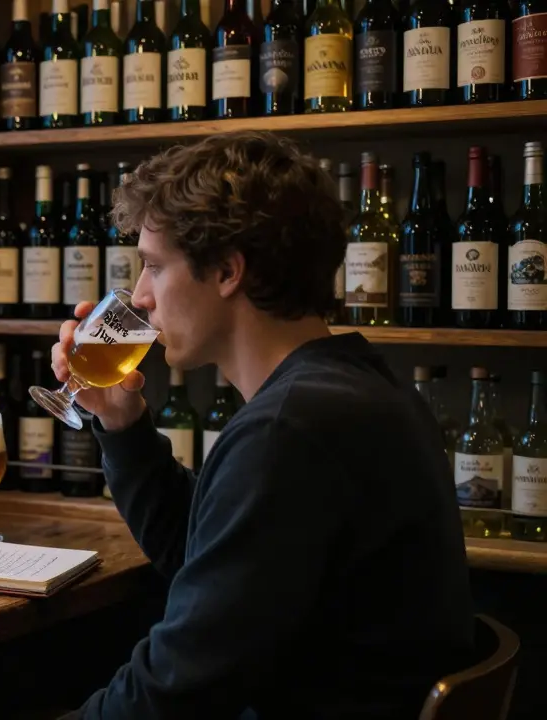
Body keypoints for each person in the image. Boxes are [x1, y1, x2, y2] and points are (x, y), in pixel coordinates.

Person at [54, 131, 475, 719]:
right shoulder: (356, 386)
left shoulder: (289, 429)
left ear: (228, 270)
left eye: (153, 266)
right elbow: (209, 562)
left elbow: (175, 689)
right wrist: (122, 425)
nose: (141, 296)